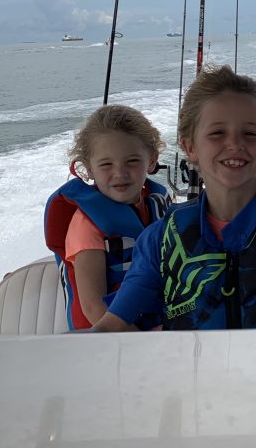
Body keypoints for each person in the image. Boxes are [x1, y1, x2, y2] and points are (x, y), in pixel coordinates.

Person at [90, 65, 256, 331]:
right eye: (217, 133)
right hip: (189, 372)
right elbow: (113, 326)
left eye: (250, 133)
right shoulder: (161, 240)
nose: (234, 144)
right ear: (189, 146)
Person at [44, 105, 169, 330]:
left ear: (151, 161)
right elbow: (94, 307)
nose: (120, 173)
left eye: (132, 161)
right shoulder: (87, 226)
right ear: (89, 169)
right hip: (113, 338)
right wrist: (143, 340)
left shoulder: (158, 204)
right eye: (106, 164)